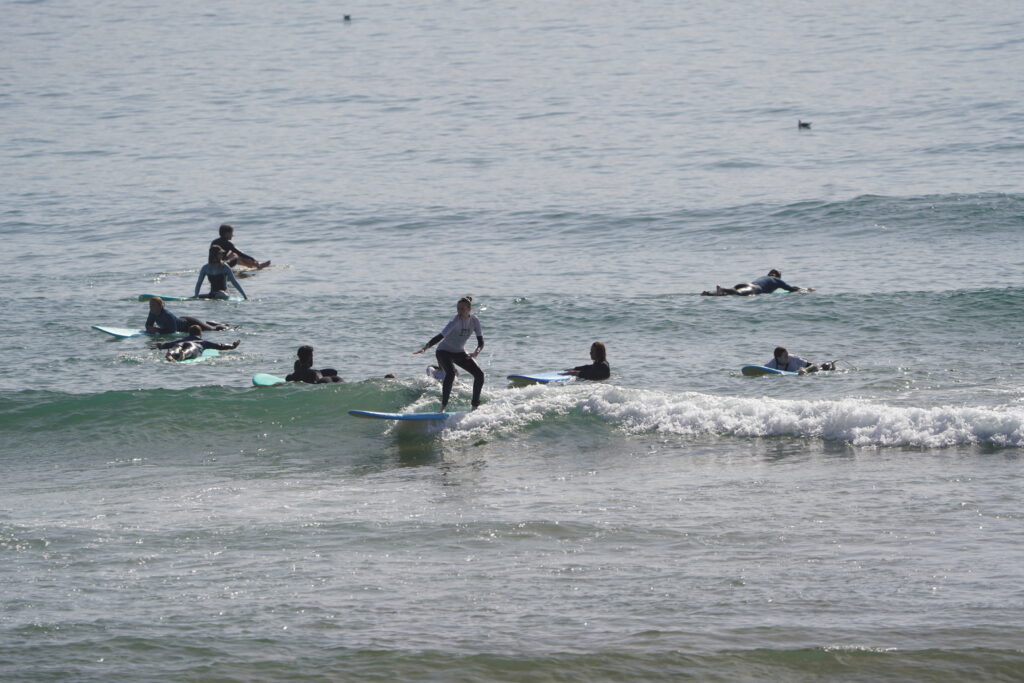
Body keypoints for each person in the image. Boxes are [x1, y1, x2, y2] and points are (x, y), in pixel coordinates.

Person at [413, 296, 485, 411]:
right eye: (458, 309)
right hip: (443, 351)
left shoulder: (475, 321)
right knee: (450, 374)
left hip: (459, 352)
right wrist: (425, 347)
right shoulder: (455, 321)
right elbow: (440, 336)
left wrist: (476, 352)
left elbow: (481, 342)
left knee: (479, 375)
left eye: (462, 309)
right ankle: (443, 407)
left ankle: (474, 406)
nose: (459, 312)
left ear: (469, 309)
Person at [144, 297, 229, 334]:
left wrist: (157, 330)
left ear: (160, 306)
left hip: (189, 323)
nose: (150, 307)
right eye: (150, 305)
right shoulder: (152, 313)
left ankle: (224, 326)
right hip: (182, 319)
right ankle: (211, 323)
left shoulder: (167, 315)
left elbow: (172, 331)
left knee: (212, 330)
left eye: (152, 305)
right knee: (208, 327)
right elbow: (148, 325)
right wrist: (149, 328)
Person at [155, 324, 239, 361]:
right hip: (194, 345)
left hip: (182, 343)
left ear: (189, 333)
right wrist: (232, 346)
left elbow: (169, 344)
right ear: (200, 334)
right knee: (190, 350)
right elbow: (220, 346)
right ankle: (183, 354)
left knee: (176, 347)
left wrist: (161, 345)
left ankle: (170, 353)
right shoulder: (202, 342)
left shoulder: (183, 339)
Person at [701, 269, 814, 296]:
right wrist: (804, 289)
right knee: (739, 294)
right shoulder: (777, 280)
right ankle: (723, 289)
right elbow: (790, 288)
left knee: (733, 292)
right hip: (756, 288)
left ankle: (710, 293)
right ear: (778, 276)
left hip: (746, 284)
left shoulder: (764, 277)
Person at [766, 346, 836, 375]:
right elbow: (762, 369)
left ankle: (831, 366)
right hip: (791, 373)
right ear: (778, 358)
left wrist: (806, 370)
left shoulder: (794, 359)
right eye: (785, 356)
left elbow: (812, 365)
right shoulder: (773, 363)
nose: (787, 357)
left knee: (818, 368)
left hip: (804, 368)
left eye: (787, 354)